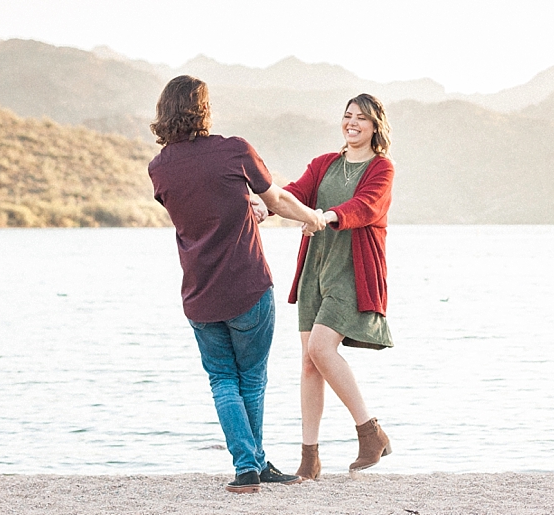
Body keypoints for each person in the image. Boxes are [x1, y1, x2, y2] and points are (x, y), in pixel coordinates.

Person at [148, 75, 325, 494]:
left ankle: (251, 467)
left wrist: (245, 205)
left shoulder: (159, 168)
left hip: (199, 291)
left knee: (222, 379)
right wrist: (313, 218)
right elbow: (277, 199)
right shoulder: (234, 150)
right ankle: (251, 465)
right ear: (203, 109)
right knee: (252, 378)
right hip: (246, 285)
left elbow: (201, 206)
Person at [284, 93, 395, 479]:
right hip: (315, 267)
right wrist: (267, 204)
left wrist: (325, 214)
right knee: (309, 364)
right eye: (348, 116)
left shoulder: (382, 169)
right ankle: (310, 457)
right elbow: (294, 193)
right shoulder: (324, 164)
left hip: (352, 270)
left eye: (362, 118)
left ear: (375, 126)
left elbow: (367, 206)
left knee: (320, 347)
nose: (352, 123)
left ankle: (370, 432)